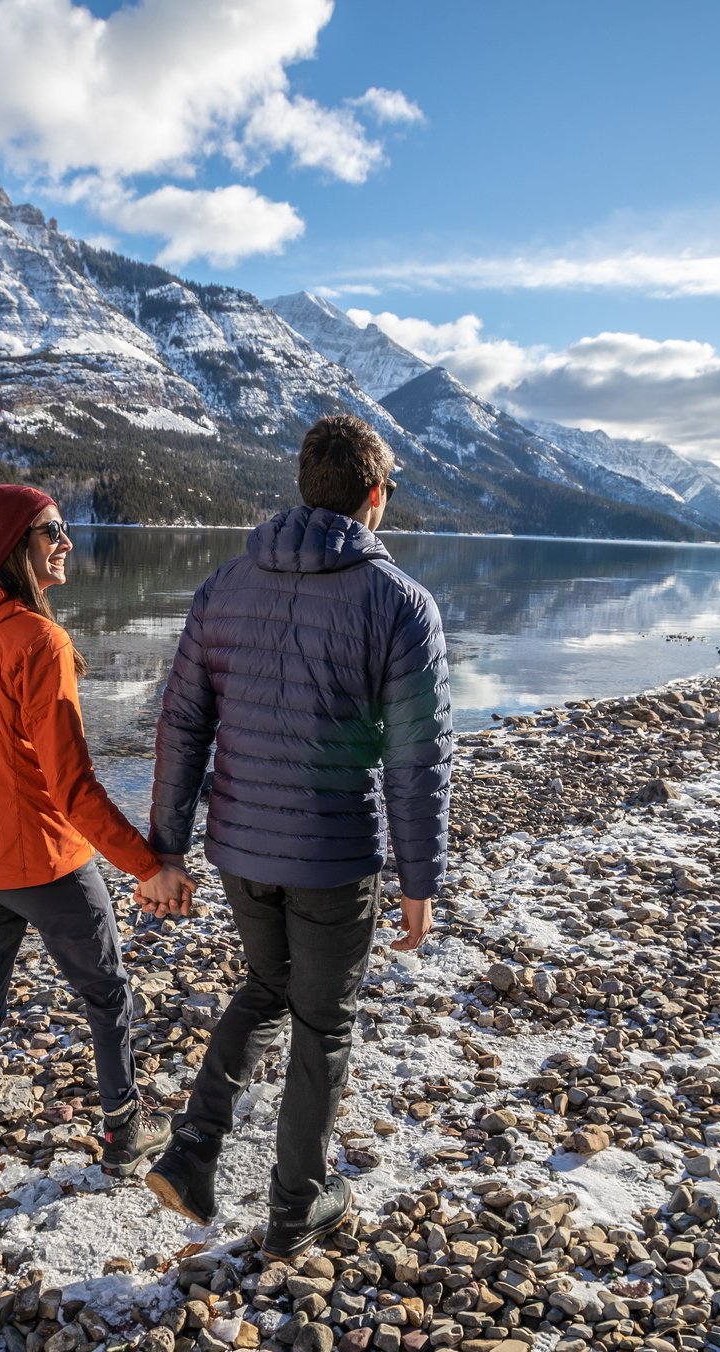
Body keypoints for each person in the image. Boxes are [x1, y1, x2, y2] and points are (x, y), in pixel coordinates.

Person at [143, 414, 453, 1260]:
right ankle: (296, 1207)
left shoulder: (223, 585)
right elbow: (416, 759)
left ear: (305, 487)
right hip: (333, 857)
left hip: (240, 850)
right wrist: (420, 879)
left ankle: (194, 1150)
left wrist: (165, 847)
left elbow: (181, 725)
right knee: (324, 1021)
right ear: (375, 497)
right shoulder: (401, 605)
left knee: (270, 982)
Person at [0, 484, 196, 1249]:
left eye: (66, 528)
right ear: (20, 543)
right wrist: (146, 865)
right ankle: (123, 1136)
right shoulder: (36, 642)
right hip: (45, 861)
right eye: (53, 530)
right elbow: (71, 784)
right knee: (108, 992)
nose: (68, 542)